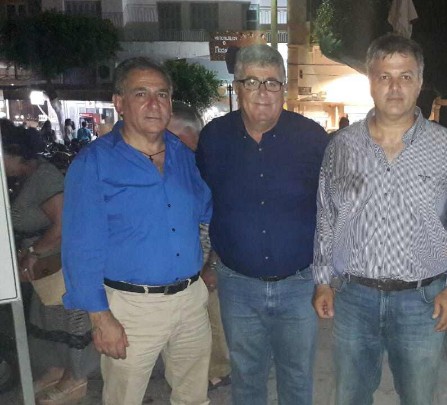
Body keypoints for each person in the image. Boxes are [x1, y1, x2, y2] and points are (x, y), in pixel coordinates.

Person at [312, 33, 447, 404]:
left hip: (422, 301)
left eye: (405, 76)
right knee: (350, 397)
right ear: (370, 82)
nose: (394, 87)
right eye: (384, 76)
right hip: (354, 298)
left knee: (419, 398)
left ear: (420, 83)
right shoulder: (341, 147)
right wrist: (323, 281)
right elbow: (327, 217)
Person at [61, 57, 213, 405]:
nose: (154, 104)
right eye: (141, 93)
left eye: (162, 94)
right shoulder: (94, 163)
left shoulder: (183, 156)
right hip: (131, 309)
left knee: (194, 397)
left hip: (191, 300)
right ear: (119, 102)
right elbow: (80, 248)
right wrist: (101, 318)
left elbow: (207, 211)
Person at [196, 44, 328, 405]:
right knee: (246, 377)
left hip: (299, 285)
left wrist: (327, 278)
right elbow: (204, 205)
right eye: (252, 82)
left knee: (297, 378)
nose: (263, 92)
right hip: (237, 285)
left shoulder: (312, 138)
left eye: (272, 83)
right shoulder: (214, 138)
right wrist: (207, 261)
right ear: (237, 87)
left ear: (284, 88)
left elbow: (332, 208)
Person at [2, 124, 99, 405]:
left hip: (58, 261)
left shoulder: (44, 177)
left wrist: (34, 251)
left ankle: (75, 378)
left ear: (14, 152)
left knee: (70, 321)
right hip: (42, 263)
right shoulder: (24, 178)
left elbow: (62, 224)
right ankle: (58, 370)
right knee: (48, 320)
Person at [167, 102, 232, 391]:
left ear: (185, 135)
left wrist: (212, 264)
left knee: (210, 318)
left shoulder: (206, 167)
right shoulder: (179, 166)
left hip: (205, 263)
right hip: (184, 265)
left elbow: (222, 219)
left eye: (167, 135)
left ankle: (217, 370)